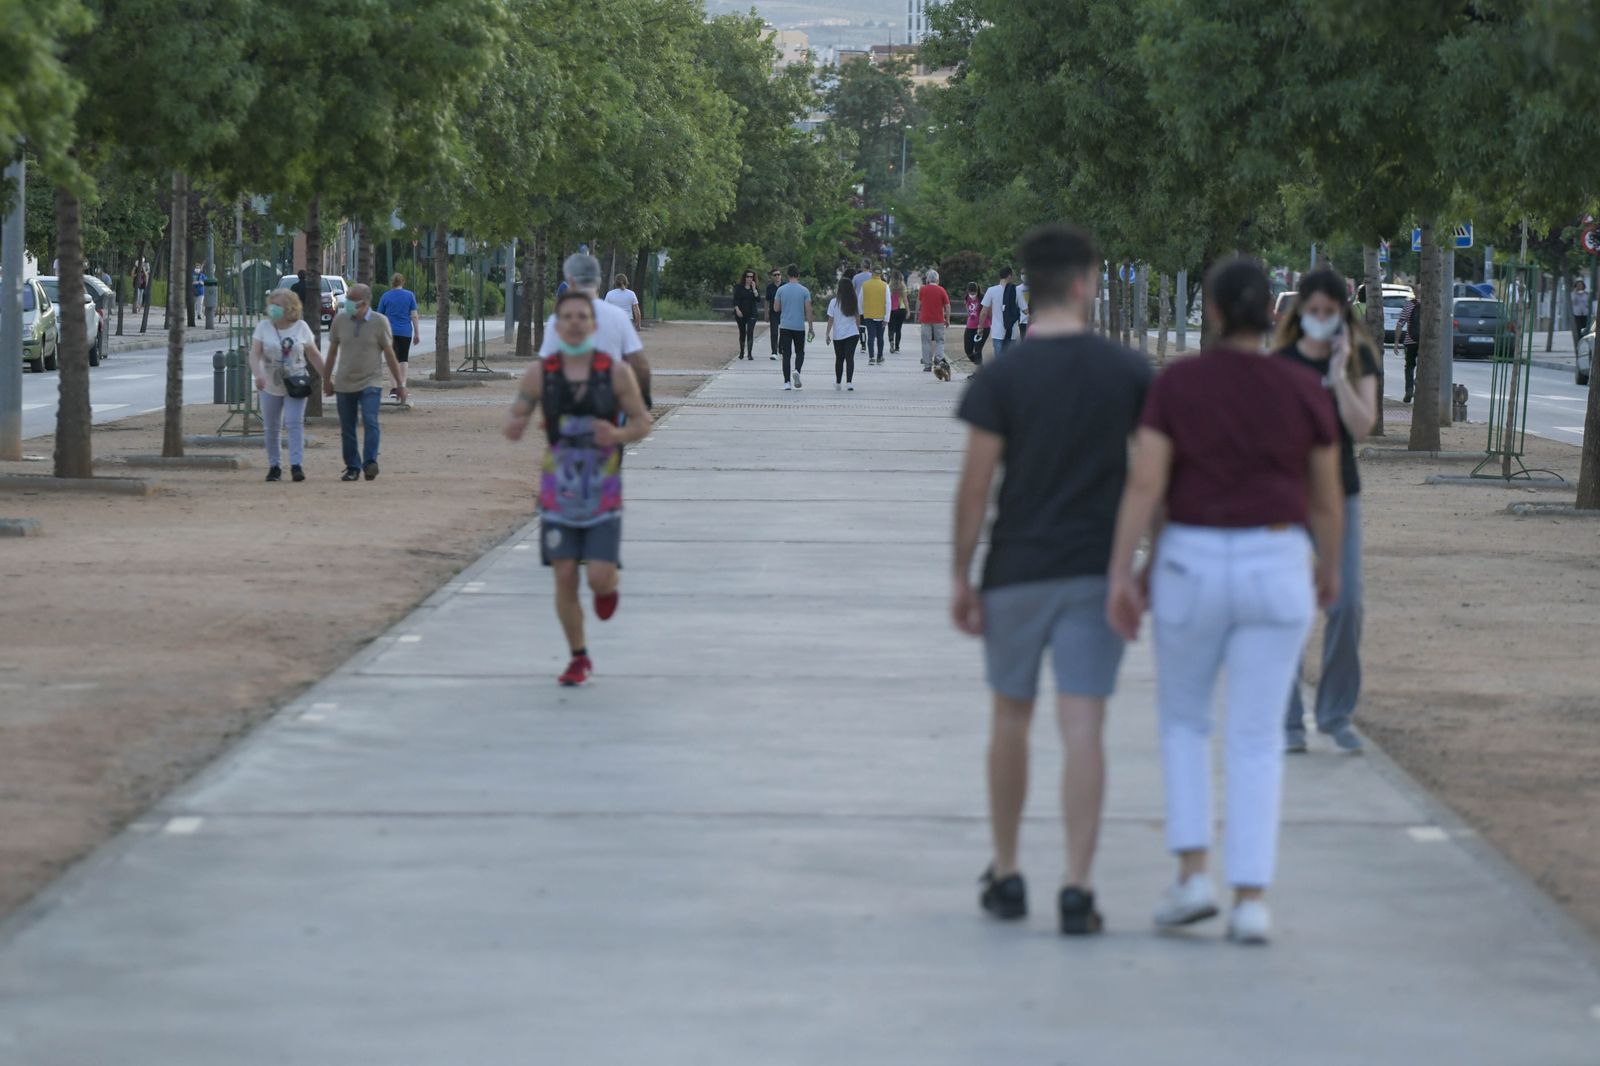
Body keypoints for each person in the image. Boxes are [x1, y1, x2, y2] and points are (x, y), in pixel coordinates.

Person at [1106, 256, 1344, 945]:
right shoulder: (1303, 387)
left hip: (1194, 559)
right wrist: (1329, 568)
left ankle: (1191, 877)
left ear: (1210, 311)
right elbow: (1326, 497)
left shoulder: (1179, 384)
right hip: (1276, 558)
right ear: (1273, 313)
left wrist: (1125, 570)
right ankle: (1250, 900)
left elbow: (1147, 483)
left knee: (1185, 723)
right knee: (1257, 735)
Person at [953, 224, 1153, 935]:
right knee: (1083, 723)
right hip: (1096, 572)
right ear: (1083, 283)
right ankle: (1076, 885)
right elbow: (1153, 475)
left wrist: (960, 575)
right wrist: (1144, 565)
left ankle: (1007, 872)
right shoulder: (1127, 371)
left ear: (1030, 286)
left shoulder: (1002, 376)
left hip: (1016, 569)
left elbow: (976, 486)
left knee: (1011, 716)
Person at [504, 291, 653, 688]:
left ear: (592, 325)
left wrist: (616, 434)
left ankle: (608, 589)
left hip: (602, 489)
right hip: (558, 491)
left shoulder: (615, 373)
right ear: (556, 326)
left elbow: (642, 422)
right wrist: (516, 422)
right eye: (565, 317)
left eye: (580, 317)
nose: (573, 323)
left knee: (598, 578)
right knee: (565, 574)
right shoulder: (541, 374)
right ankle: (578, 656)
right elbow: (517, 414)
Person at [1273, 268, 1379, 755]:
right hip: (1289, 498)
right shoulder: (1281, 363)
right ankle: (1288, 720)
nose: (1319, 318)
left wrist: (1337, 378)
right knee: (1288, 607)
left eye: (1328, 312)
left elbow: (1361, 426)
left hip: (1341, 495)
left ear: (1342, 313)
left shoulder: (1358, 357)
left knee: (1347, 604)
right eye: (1312, 311)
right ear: (1300, 313)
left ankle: (1335, 714)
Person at [541, 254, 651, 410]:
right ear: (598, 282)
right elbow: (640, 364)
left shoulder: (557, 320)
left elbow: (545, 365)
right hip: (606, 397)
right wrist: (645, 396)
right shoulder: (617, 316)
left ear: (570, 282)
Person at [322, 283, 409, 482]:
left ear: (366, 303)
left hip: (371, 381)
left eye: (353, 301)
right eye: (348, 299)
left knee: (370, 420)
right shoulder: (340, 321)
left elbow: (390, 355)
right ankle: (352, 466)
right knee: (347, 427)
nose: (349, 303)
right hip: (345, 382)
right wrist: (327, 379)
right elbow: (332, 353)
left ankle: (370, 462)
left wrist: (400, 384)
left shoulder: (380, 322)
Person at [249, 288, 327, 483]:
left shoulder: (301, 327)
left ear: (290, 308)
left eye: (278, 305)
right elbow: (254, 354)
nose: (273, 308)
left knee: (294, 422)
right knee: (271, 427)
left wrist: (327, 377)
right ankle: (274, 466)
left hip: (296, 382)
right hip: (270, 384)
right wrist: (258, 374)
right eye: (271, 304)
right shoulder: (263, 327)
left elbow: (313, 354)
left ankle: (296, 465)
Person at [376, 273, 420, 400]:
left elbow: (380, 316)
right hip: (405, 332)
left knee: (392, 359)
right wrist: (417, 333)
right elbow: (414, 315)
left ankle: (394, 388)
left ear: (392, 283)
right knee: (403, 359)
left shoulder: (386, 296)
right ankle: (403, 386)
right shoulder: (410, 295)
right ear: (403, 282)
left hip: (389, 332)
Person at [773, 264, 813, 390]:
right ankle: (797, 370)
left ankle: (787, 382)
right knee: (800, 352)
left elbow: (776, 308)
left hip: (785, 326)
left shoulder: (781, 290)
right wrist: (811, 327)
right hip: (799, 327)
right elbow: (808, 310)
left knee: (786, 354)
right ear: (798, 275)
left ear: (787, 275)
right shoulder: (804, 291)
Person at [825, 275, 861, 391]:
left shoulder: (834, 302)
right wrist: (858, 330)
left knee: (839, 358)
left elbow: (831, 319)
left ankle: (838, 382)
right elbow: (857, 317)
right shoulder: (854, 301)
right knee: (850, 358)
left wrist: (827, 333)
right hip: (852, 333)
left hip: (838, 335)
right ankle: (849, 382)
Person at [918, 268, 951, 377]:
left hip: (925, 319)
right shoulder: (941, 290)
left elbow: (919, 303)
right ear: (937, 280)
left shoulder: (923, 289)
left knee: (926, 342)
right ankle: (939, 359)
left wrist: (917, 314)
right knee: (940, 340)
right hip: (938, 320)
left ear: (928, 279)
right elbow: (947, 305)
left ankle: (927, 365)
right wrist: (947, 319)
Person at [980, 267, 1016, 359]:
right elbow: (1024, 310)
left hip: (997, 332)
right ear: (1009, 276)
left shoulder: (991, 290)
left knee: (1000, 361)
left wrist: (980, 327)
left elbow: (984, 312)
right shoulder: (1016, 290)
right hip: (1011, 332)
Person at [1395, 290, 1421, 403]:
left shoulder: (1409, 305)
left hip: (1410, 341)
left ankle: (1409, 389)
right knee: (1423, 367)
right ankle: (1420, 390)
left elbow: (1400, 323)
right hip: (1426, 342)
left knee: (1409, 366)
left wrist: (1396, 343)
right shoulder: (1431, 305)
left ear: (1414, 292)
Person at [860, 269, 889, 364]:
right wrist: (887, 317)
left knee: (870, 336)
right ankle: (879, 357)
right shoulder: (885, 285)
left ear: (872, 273)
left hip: (868, 314)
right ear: (880, 274)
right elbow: (888, 303)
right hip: (881, 315)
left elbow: (860, 300)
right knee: (880, 337)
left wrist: (862, 312)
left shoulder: (865, 285)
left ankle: (871, 357)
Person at [732, 269, 761, 360]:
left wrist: (754, 289)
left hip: (752, 313)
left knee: (750, 332)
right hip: (741, 313)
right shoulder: (739, 287)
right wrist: (737, 309)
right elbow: (735, 300)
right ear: (744, 277)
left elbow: (758, 299)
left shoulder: (754, 288)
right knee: (742, 332)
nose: (749, 278)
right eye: (747, 276)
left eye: (751, 277)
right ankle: (741, 352)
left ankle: (749, 353)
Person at [962, 282, 988, 368]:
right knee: (968, 350)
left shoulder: (983, 298)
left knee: (977, 349)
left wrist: (981, 326)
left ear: (977, 291)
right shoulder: (967, 298)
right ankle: (980, 366)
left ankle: (980, 370)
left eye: (974, 293)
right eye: (970, 293)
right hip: (970, 326)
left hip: (983, 326)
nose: (972, 295)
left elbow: (986, 312)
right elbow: (968, 311)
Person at [888, 271, 909, 354]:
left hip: (892, 310)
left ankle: (891, 340)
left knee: (891, 327)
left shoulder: (889, 287)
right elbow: (905, 300)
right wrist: (908, 311)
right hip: (901, 309)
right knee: (898, 329)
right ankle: (897, 347)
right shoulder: (903, 287)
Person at [765, 268, 783, 360]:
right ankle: (774, 352)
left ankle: (781, 348)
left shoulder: (785, 286)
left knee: (783, 332)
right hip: (773, 312)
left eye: (778, 274)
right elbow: (767, 301)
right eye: (775, 275)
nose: (777, 276)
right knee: (774, 332)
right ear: (772, 277)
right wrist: (766, 313)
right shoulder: (770, 287)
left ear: (781, 276)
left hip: (784, 312)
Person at [1016, 273, 1031, 339]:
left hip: (1033, 319)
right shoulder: (1017, 288)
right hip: (1022, 319)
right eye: (1022, 273)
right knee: (1023, 338)